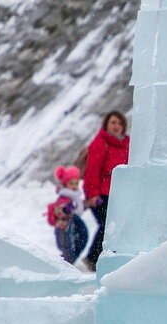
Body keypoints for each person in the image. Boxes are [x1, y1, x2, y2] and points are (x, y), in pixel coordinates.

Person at [84, 110, 130, 272]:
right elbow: (92, 170)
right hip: (102, 193)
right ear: (106, 125)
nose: (116, 126)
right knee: (107, 226)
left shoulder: (127, 144)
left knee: (114, 227)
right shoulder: (101, 143)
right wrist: (92, 194)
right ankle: (93, 258)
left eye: (119, 123)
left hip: (120, 194)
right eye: (113, 122)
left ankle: (104, 258)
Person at [47, 166, 89, 267]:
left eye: (76, 183)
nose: (74, 186)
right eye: (71, 183)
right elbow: (58, 210)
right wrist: (65, 209)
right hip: (63, 226)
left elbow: (78, 208)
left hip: (72, 225)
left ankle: (68, 262)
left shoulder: (74, 197)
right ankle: (65, 264)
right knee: (66, 244)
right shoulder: (64, 198)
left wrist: (88, 204)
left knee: (75, 242)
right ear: (65, 183)